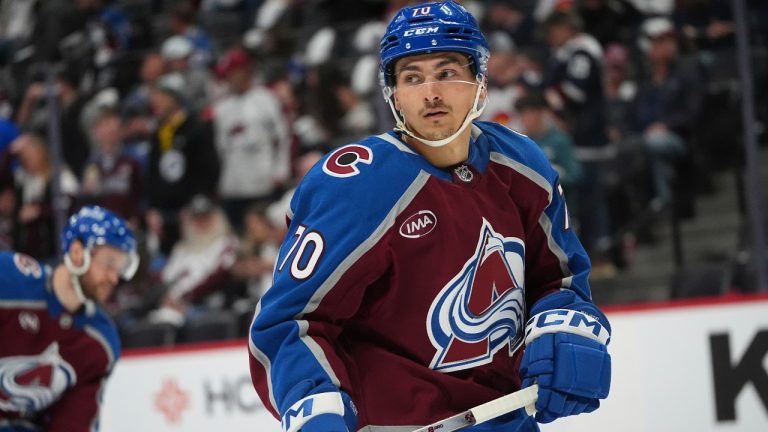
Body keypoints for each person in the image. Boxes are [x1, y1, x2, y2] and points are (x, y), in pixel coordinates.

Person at [248, 2, 612, 432]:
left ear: (479, 81)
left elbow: (560, 278)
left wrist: (564, 324)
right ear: (393, 94)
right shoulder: (355, 186)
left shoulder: (522, 165)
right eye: (412, 78)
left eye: (447, 72)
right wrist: (313, 404)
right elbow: (290, 322)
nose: (431, 93)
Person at [0, 205, 139, 431]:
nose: (115, 278)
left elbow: (74, 423)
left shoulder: (100, 342)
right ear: (77, 252)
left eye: (122, 267)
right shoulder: (9, 280)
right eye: (109, 263)